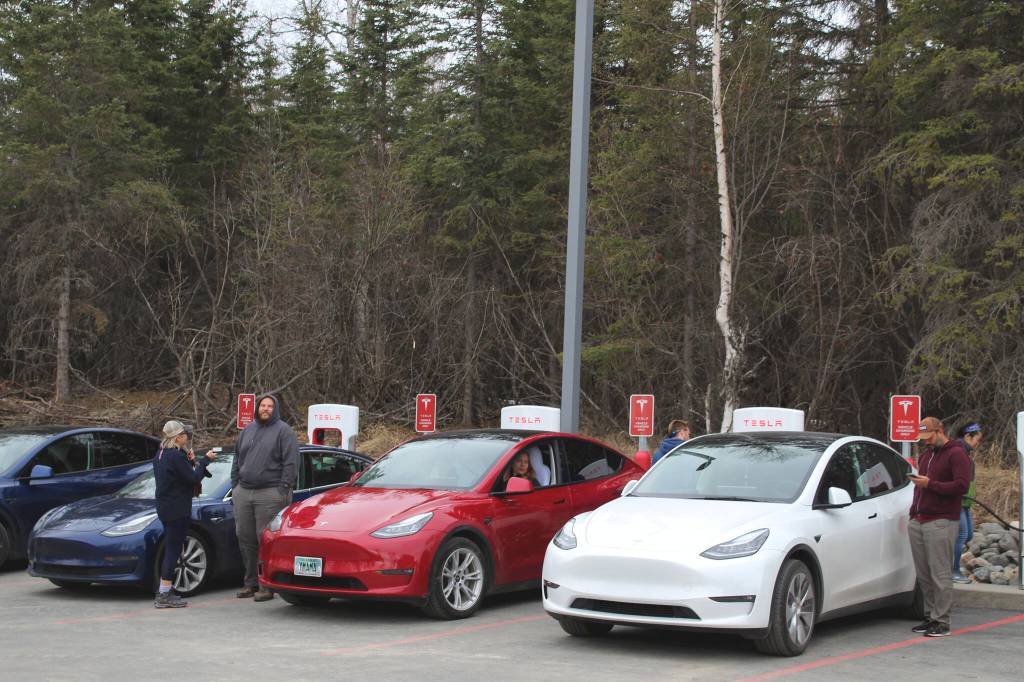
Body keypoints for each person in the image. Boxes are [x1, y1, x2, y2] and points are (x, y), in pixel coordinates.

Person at [907, 416, 971, 637]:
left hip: (941, 520)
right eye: (923, 438)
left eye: (928, 436)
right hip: (920, 518)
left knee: (940, 573)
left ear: (940, 430)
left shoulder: (956, 454)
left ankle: (942, 620)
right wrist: (913, 513)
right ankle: (930, 615)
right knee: (924, 572)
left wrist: (930, 484)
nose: (926, 441)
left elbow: (961, 485)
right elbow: (920, 488)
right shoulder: (926, 455)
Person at [232, 393, 299, 602]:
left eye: (270, 406)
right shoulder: (247, 430)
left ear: (276, 409)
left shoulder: (284, 432)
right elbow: (237, 458)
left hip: (270, 493)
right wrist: (235, 485)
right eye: (263, 405)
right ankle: (250, 583)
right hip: (244, 492)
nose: (266, 409)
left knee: (266, 540)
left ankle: (266, 585)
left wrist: (283, 489)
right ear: (257, 408)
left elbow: (291, 462)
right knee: (245, 538)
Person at [153, 420, 215, 609]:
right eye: (185, 434)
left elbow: (177, 476)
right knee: (173, 550)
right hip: (177, 508)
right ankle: (164, 593)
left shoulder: (161, 454)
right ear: (177, 437)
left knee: (172, 548)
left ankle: (166, 588)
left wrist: (188, 460)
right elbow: (192, 478)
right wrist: (205, 461)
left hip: (164, 507)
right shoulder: (175, 456)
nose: (187, 437)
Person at [951, 422, 982, 583]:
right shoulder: (958, 452)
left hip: (966, 503)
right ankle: (953, 571)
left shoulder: (965, 452)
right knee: (961, 535)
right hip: (958, 501)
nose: (978, 443)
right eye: (977, 439)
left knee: (968, 534)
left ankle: (952, 567)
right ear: (967, 436)